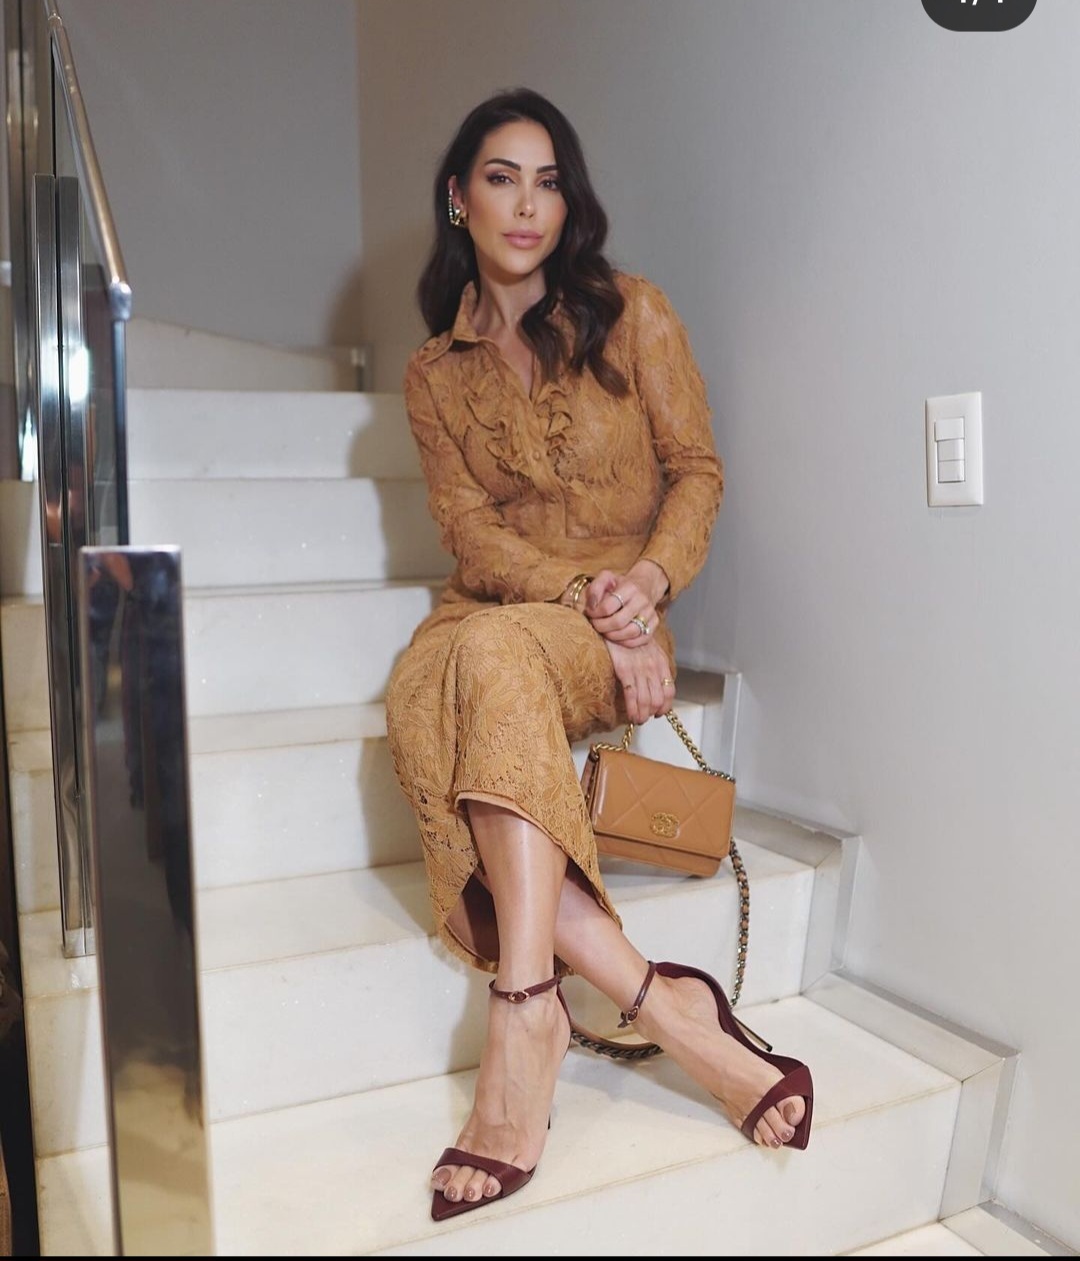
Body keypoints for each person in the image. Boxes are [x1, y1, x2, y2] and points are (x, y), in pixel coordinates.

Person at [384, 87, 813, 1223]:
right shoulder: (434, 372)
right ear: (459, 198)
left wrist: (644, 591)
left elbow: (697, 471)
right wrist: (577, 591)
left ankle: (525, 1016)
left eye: (549, 181)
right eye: (502, 178)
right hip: (499, 605)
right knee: (436, 679)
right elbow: (470, 534)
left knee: (492, 661)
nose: (528, 204)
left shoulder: (635, 314)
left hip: (609, 617)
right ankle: (662, 1004)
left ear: (568, 202)